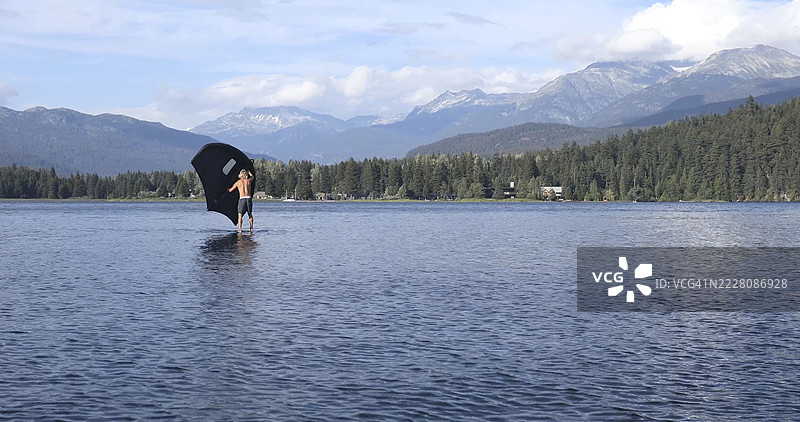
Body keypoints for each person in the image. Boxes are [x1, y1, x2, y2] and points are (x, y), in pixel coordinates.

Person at [228, 169, 254, 233]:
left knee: (240, 215)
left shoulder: (238, 183)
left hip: (242, 198)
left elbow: (230, 190)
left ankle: (240, 229)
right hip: (248, 198)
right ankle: (251, 228)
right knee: (250, 214)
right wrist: (249, 172)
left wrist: (228, 188)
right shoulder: (248, 181)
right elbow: (253, 177)